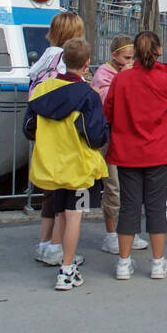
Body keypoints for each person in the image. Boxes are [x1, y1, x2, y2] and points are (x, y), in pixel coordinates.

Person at [102, 31, 167, 281]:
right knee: (156, 206)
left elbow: (107, 111)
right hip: (158, 150)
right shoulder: (165, 80)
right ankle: (157, 262)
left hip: (127, 150)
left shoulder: (121, 80)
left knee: (129, 206)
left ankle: (123, 261)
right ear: (159, 50)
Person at [28, 37, 109, 290]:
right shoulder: (88, 95)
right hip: (78, 164)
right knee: (75, 216)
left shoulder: (42, 89)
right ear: (86, 65)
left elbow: (29, 127)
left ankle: (62, 255)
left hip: (50, 162)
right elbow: (95, 134)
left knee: (61, 211)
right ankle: (66, 268)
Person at [29, 11, 86, 265]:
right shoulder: (65, 62)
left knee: (50, 192)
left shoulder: (44, 60)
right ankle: (57, 247)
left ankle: (44, 243)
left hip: (44, 133)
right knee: (68, 198)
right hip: (65, 137)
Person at [91, 35, 149, 254]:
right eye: (126, 58)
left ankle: (128, 231)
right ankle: (111, 233)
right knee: (113, 187)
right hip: (110, 137)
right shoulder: (103, 74)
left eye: (133, 58)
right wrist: (123, 78)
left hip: (128, 136)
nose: (130, 62)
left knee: (131, 188)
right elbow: (107, 101)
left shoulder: (134, 72)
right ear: (114, 56)